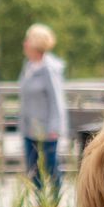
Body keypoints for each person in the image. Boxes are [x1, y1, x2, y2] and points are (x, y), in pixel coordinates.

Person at [17, 23, 69, 195]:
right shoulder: (29, 66)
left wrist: (55, 128)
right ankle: (40, 201)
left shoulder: (49, 69)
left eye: (27, 40)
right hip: (29, 127)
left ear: (35, 44)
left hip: (47, 129)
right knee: (33, 167)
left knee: (50, 167)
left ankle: (54, 201)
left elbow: (57, 100)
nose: (24, 44)